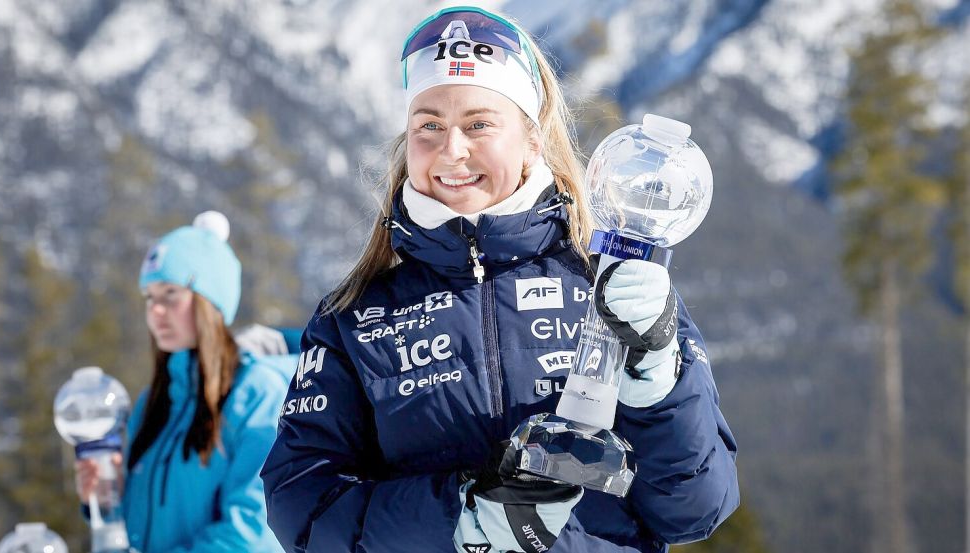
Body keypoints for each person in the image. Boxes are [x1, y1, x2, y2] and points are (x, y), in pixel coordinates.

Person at [261, 6, 739, 553]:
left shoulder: (610, 288)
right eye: (429, 126)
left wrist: (657, 372)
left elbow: (695, 509)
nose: (452, 150)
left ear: (532, 140)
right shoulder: (354, 316)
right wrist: (462, 518)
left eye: (479, 124)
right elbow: (301, 504)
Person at [75, 211, 296, 552]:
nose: (156, 311)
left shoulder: (257, 394)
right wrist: (109, 499)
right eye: (150, 297)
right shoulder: (156, 401)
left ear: (210, 300)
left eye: (170, 294)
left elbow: (254, 534)